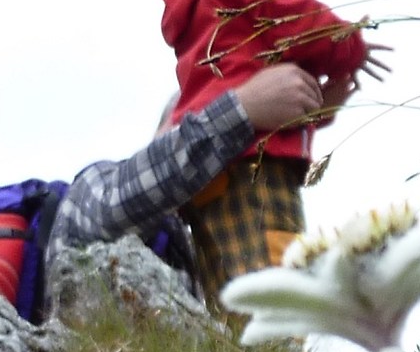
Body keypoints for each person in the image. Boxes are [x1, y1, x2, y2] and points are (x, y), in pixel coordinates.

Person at [160, 0, 375, 302]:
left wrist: (319, 109)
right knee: (279, 298)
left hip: (208, 167)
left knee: (231, 298)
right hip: (254, 173)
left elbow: (248, 76)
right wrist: (350, 44)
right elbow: (297, 19)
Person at [50, 64, 325, 281]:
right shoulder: (93, 187)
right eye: (196, 121)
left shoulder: (198, 255)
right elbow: (119, 206)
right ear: (169, 127)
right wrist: (243, 109)